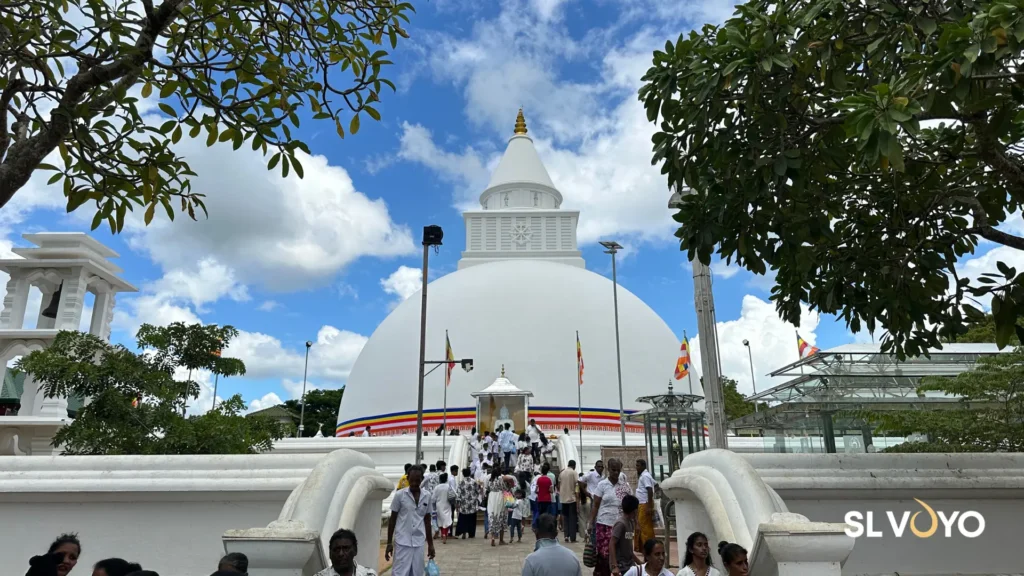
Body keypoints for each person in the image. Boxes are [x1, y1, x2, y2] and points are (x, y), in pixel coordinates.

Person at [385, 466, 435, 576]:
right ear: (407, 479)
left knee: (417, 573)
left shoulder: (427, 496)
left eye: (417, 480)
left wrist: (431, 545)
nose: (414, 483)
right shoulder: (399, 495)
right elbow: (392, 520)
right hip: (402, 542)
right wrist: (389, 543)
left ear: (422, 479)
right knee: (400, 573)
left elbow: (427, 522)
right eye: (411, 480)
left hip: (419, 543)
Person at [587, 458, 629, 576]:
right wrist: (590, 522)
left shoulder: (624, 486)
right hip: (604, 525)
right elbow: (595, 505)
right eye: (613, 470)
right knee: (604, 554)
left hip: (620, 524)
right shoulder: (602, 485)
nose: (616, 472)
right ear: (608, 469)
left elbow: (630, 504)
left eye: (618, 470)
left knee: (620, 553)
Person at [610, 495, 641, 576]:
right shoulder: (621, 524)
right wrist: (614, 566)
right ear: (635, 511)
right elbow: (611, 544)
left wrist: (639, 562)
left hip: (629, 563)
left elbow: (629, 549)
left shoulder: (630, 523)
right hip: (621, 565)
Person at [634, 459, 657, 554]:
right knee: (640, 526)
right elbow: (656, 485)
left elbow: (650, 490)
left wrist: (649, 505)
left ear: (643, 466)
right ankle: (642, 548)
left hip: (644, 504)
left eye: (638, 465)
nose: (636, 467)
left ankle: (649, 548)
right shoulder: (645, 475)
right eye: (636, 465)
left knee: (644, 527)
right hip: (642, 504)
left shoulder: (645, 476)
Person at [485, 466, 510, 546]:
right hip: (500, 497)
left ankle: (492, 537)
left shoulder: (490, 480)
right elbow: (505, 489)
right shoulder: (501, 479)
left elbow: (487, 489)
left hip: (492, 497)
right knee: (501, 516)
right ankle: (501, 540)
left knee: (492, 516)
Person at [455, 468, 480, 539]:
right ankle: (471, 533)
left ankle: (464, 533)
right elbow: (478, 491)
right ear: (469, 473)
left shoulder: (461, 482)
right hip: (472, 504)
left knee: (463, 519)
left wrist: (457, 503)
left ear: (463, 474)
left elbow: (458, 494)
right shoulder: (474, 482)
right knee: (471, 519)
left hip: (463, 504)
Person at [559, 459, 580, 543]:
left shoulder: (562, 473)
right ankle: (573, 537)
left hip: (563, 499)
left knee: (566, 518)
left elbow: (559, 484)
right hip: (572, 499)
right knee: (572, 519)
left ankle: (566, 536)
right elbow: (577, 485)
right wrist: (578, 498)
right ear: (574, 466)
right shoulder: (574, 473)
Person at [433, 472, 453, 543]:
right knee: (446, 520)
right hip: (447, 505)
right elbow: (453, 495)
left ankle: (443, 534)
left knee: (440, 521)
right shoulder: (448, 486)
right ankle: (445, 534)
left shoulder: (437, 487)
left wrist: (433, 506)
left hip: (439, 505)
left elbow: (433, 498)